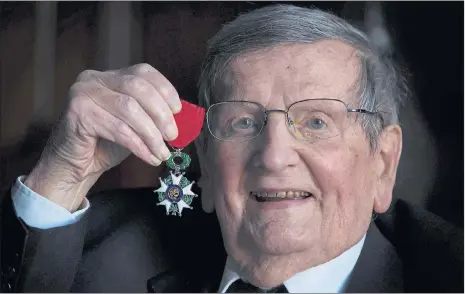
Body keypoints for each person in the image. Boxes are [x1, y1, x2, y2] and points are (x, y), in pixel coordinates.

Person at [0, 4, 462, 293]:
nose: (274, 155)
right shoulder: (95, 256)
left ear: (383, 165)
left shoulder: (447, 273)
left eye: (316, 121)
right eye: (244, 122)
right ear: (203, 163)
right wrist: (64, 171)